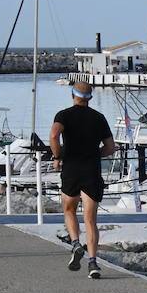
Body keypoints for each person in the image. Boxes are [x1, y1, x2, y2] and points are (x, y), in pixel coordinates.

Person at [49, 81, 116, 279]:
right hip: (91, 170)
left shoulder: (63, 115)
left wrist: (57, 156)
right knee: (90, 219)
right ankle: (93, 263)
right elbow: (111, 147)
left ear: (72, 95)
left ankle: (76, 243)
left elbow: (54, 135)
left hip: (71, 168)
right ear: (90, 98)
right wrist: (97, 154)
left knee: (69, 209)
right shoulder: (99, 118)